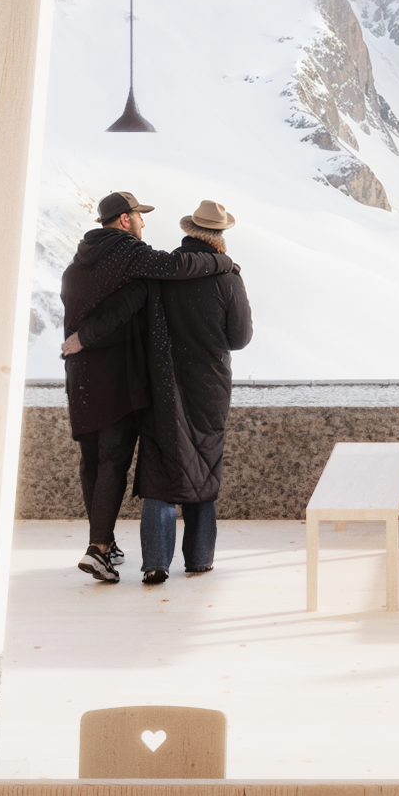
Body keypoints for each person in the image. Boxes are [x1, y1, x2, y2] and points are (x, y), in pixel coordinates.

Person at [59, 191, 234, 584]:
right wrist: (224, 263)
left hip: (80, 376)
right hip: (115, 376)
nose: (143, 223)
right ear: (124, 220)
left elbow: (115, 303)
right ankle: (99, 550)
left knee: (93, 460)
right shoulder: (129, 254)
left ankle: (103, 541)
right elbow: (176, 265)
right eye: (139, 216)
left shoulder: (79, 261)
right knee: (114, 462)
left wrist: (80, 339)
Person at [126, 200, 250, 586]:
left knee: (162, 466)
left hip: (162, 381)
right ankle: (198, 558)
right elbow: (240, 338)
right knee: (204, 464)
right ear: (220, 236)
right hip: (209, 386)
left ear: (189, 231)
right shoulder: (228, 278)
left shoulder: (163, 272)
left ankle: (155, 563)